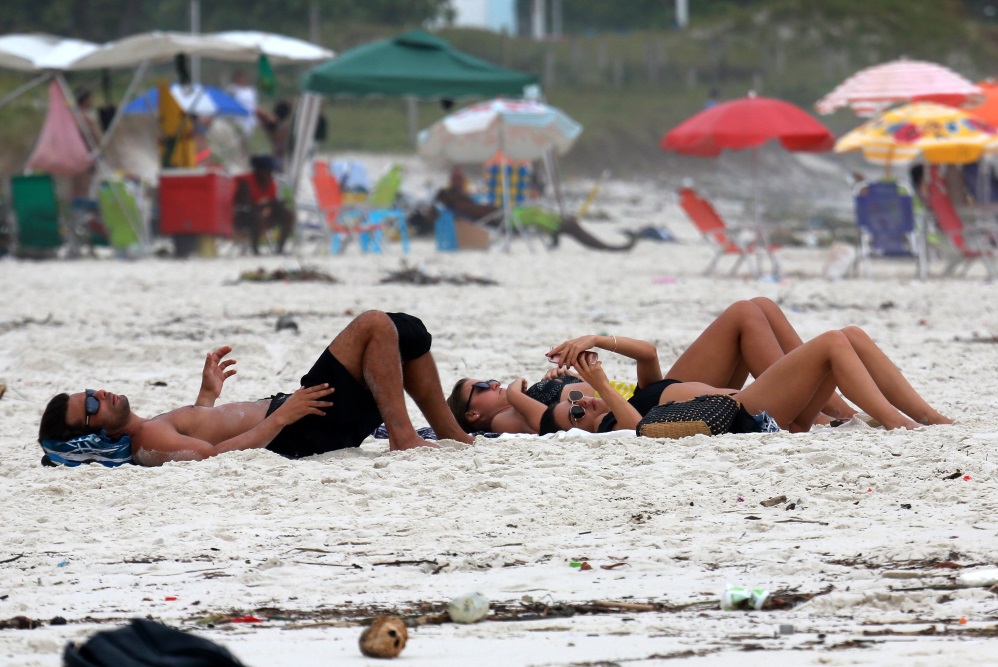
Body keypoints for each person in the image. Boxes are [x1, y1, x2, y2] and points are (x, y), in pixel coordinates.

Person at [38, 311, 475, 467]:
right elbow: (212, 457)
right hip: (298, 427)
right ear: (96, 433)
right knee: (376, 326)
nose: (102, 395)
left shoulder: (149, 429)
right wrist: (284, 415)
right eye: (91, 404)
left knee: (408, 334)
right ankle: (404, 438)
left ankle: (452, 435)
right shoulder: (144, 442)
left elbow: (200, 435)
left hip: (299, 418)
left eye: (91, 390)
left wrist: (206, 396)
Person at [448, 297, 864, 435]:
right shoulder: (505, 417)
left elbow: (646, 355)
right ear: (473, 412)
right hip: (654, 406)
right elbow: (551, 422)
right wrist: (521, 390)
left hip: (652, 392)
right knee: (749, 317)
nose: (494, 381)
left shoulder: (539, 395)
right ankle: (829, 412)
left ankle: (837, 410)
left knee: (755, 309)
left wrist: (591, 345)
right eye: (481, 385)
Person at [507, 327, 952, 437]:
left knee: (849, 336)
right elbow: (629, 430)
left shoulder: (636, 399)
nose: (585, 401)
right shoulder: (625, 423)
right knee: (835, 342)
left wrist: (595, 341)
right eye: (577, 412)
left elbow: (647, 354)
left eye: (577, 397)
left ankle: (925, 415)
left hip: (754, 401)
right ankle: (900, 424)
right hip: (750, 409)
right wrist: (600, 384)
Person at [233, 155, 294, 255]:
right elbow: (244, 204)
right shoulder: (246, 182)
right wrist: (263, 207)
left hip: (265, 215)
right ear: (259, 171)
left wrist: (274, 205)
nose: (269, 174)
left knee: (287, 215)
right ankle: (255, 249)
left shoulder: (270, 183)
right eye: (267, 171)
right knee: (256, 216)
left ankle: (280, 248)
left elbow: (272, 200)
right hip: (244, 217)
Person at [256, 99, 292, 172]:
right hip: (280, 158)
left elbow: (258, 111)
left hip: (278, 156)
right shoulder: (278, 124)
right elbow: (258, 111)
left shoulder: (273, 124)